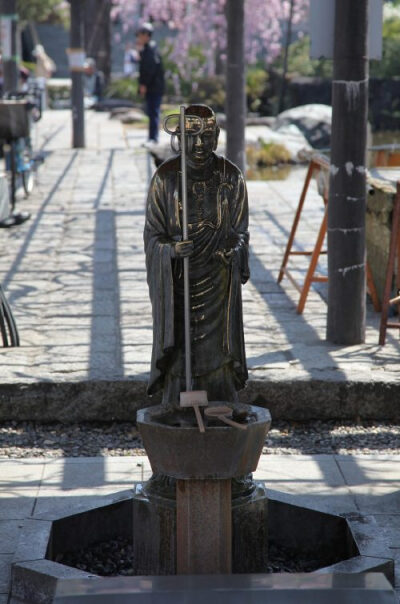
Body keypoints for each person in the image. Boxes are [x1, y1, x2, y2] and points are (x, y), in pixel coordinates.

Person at [144, 104, 249, 410]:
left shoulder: (231, 177)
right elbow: (153, 236)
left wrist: (235, 249)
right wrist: (172, 250)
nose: (200, 145)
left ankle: (221, 399)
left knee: (218, 352)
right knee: (181, 349)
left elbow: (241, 231)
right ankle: (177, 405)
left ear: (216, 137)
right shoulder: (165, 178)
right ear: (179, 138)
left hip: (218, 281)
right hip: (180, 282)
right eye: (192, 137)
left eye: (207, 136)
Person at [136, 22, 164, 145]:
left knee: (153, 112)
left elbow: (149, 70)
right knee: (152, 112)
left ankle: (153, 138)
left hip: (153, 87)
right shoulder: (149, 49)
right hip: (154, 87)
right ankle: (151, 137)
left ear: (146, 35)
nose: (138, 38)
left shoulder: (150, 50)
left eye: (140, 35)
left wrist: (144, 84)